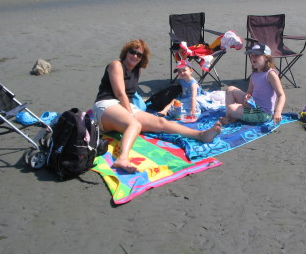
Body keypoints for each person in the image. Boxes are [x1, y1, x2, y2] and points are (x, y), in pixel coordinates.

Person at [93, 39, 222, 173]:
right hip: (106, 105)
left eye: (139, 54)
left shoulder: (137, 71)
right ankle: (122, 158)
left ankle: (201, 135)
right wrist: (131, 114)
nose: (135, 56)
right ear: (126, 52)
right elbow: (120, 93)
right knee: (134, 124)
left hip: (125, 106)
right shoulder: (116, 65)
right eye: (132, 52)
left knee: (160, 121)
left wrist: (132, 111)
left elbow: (129, 96)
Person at [220, 44, 286, 126]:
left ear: (266, 57)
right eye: (252, 56)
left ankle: (232, 116)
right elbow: (249, 92)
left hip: (263, 113)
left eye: (257, 55)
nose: (253, 58)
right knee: (230, 89)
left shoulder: (270, 74)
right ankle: (230, 116)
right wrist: (247, 99)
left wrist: (278, 112)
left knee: (230, 108)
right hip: (253, 104)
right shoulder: (254, 74)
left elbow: (281, 95)